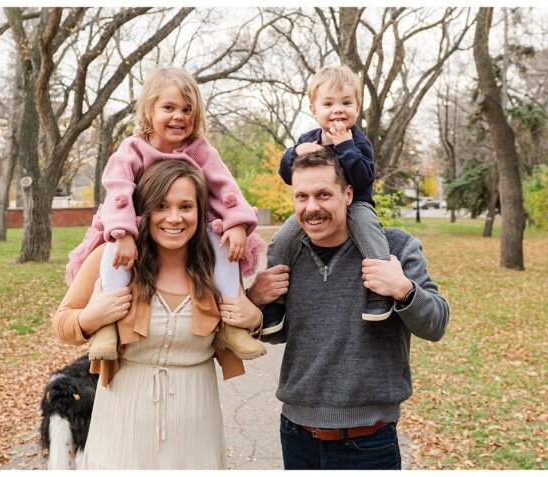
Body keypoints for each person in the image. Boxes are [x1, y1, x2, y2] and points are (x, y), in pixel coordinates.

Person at [247, 148, 449, 470]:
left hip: (370, 442)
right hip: (297, 435)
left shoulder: (394, 247)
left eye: (324, 194)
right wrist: (254, 300)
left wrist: (403, 289)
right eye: (302, 197)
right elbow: (278, 335)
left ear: (348, 193)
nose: (312, 207)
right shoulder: (288, 256)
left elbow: (436, 324)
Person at [54, 160, 262, 469]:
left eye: (186, 206)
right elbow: (62, 323)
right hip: (121, 428)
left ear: (200, 212)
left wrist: (253, 317)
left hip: (196, 431)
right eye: (162, 206)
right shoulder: (111, 259)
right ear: (145, 211)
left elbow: (244, 322)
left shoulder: (216, 267)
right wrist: (90, 318)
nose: (175, 218)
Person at [65, 66, 264, 363]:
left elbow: (224, 185)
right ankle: (107, 324)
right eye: (169, 107)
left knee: (223, 245)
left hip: (200, 227)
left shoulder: (199, 150)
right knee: (113, 251)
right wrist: (124, 233)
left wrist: (236, 223)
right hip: (128, 221)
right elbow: (118, 189)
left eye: (187, 109)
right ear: (148, 111)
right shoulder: (133, 149)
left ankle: (231, 321)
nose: (179, 116)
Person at [262, 65, 392, 334]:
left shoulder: (359, 142)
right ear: (314, 109)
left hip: (357, 206)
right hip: (313, 208)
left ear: (357, 106)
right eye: (329, 103)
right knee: (284, 237)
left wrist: (345, 147)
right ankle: (275, 301)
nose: (338, 110)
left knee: (368, 229)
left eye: (346, 102)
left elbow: (364, 178)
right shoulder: (307, 140)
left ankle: (380, 292)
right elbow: (286, 173)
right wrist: (295, 153)